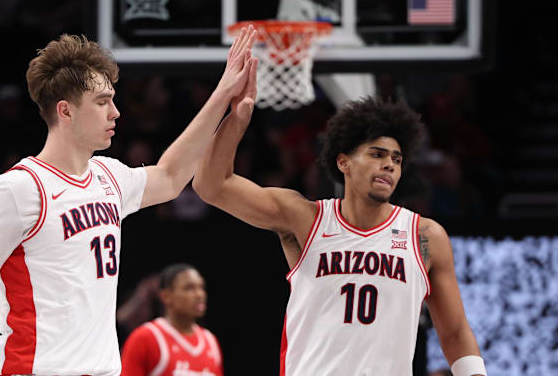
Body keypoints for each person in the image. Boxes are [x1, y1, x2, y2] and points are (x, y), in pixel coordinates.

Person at [0, 26, 258, 376]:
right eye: (102, 102)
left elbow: (170, 176)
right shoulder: (18, 190)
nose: (115, 112)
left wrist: (223, 95)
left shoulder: (109, 176)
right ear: (66, 111)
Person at [192, 96, 487, 376]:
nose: (390, 165)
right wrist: (236, 121)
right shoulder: (306, 218)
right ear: (343, 162)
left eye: (397, 159)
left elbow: (455, 332)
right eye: (377, 154)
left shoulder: (425, 235)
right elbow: (211, 185)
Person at [121, 264, 222, 376]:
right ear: (166, 296)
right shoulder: (145, 337)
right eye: (189, 288)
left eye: (201, 287)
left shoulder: (211, 341)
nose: (199, 294)